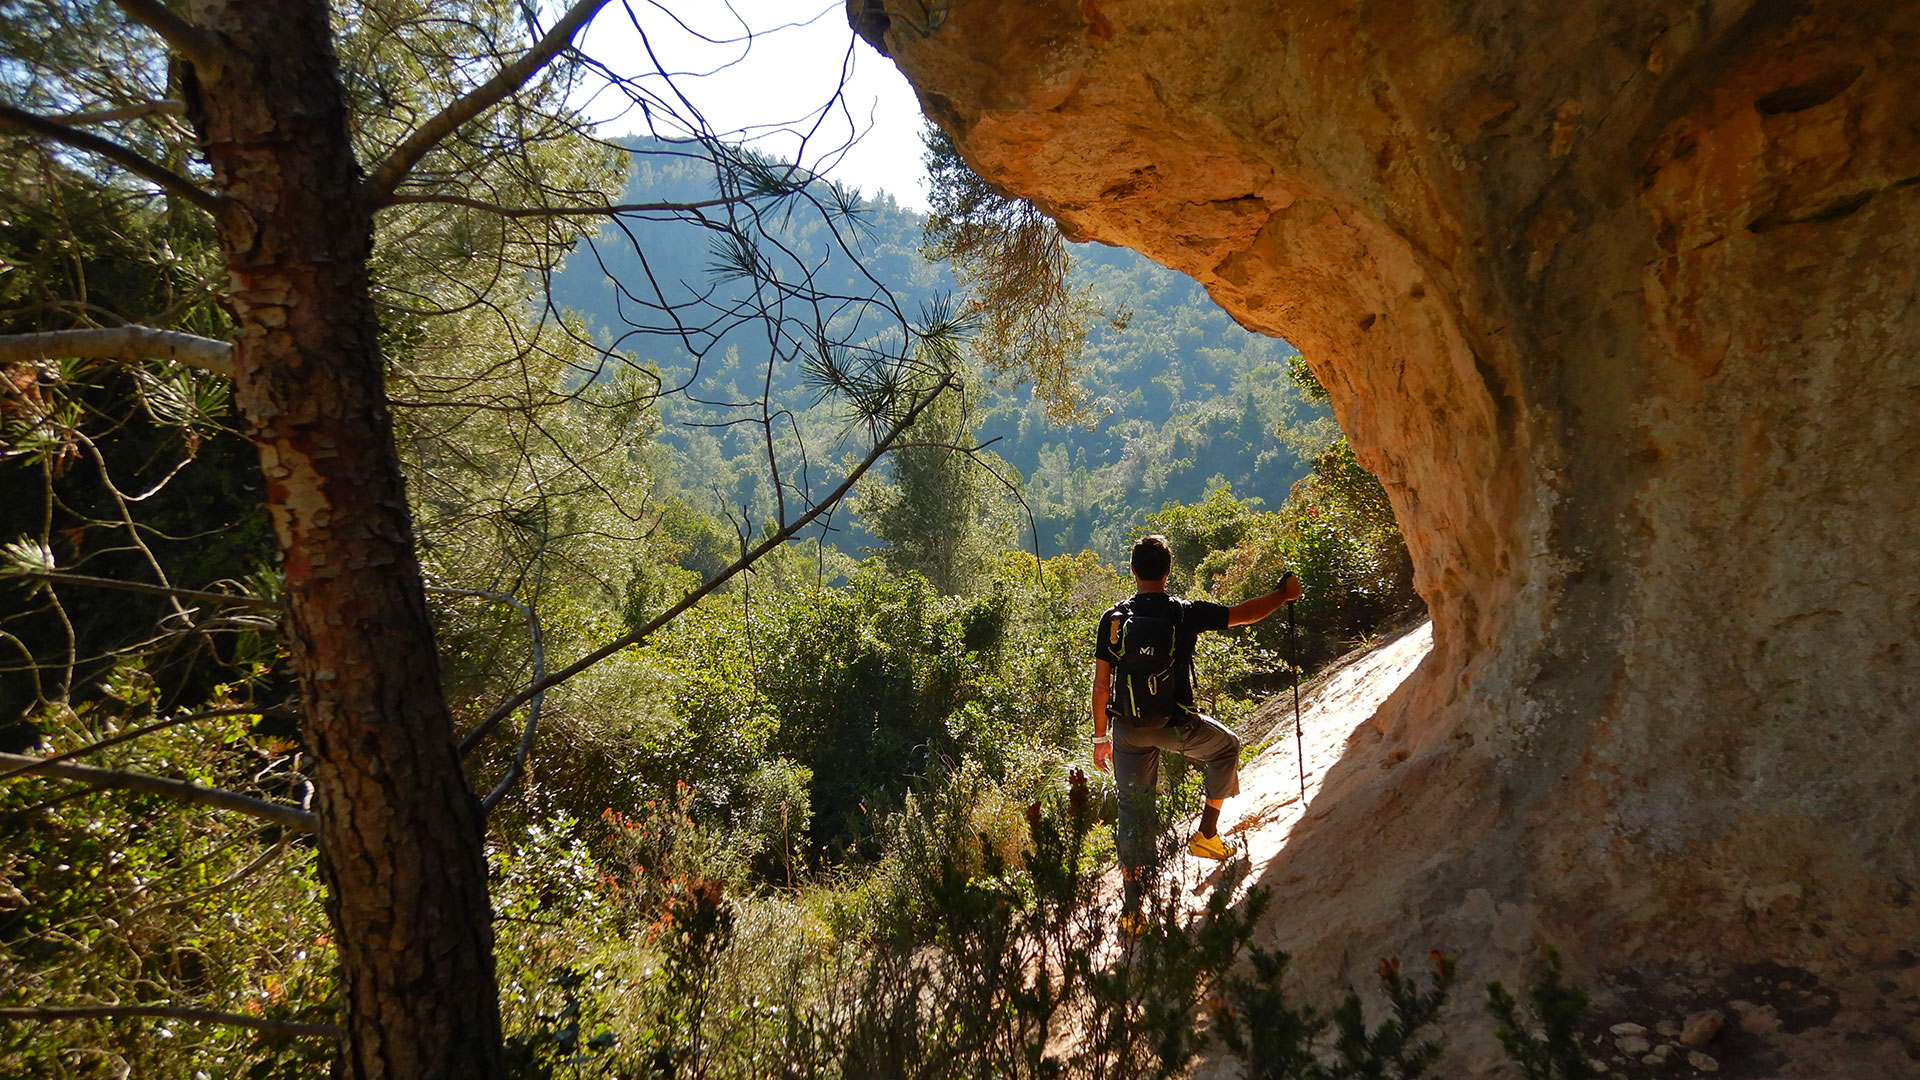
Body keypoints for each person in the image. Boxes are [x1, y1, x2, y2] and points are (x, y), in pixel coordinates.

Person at [1090, 534, 1301, 930]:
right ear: (1168, 572)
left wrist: (1101, 738)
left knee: (1134, 809)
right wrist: (1282, 596)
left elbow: (1102, 686)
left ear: (1132, 570)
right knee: (1226, 748)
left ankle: (1134, 911)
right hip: (1177, 726)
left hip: (1128, 731)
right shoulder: (1184, 612)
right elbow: (1244, 614)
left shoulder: (1113, 619)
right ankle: (1206, 833)